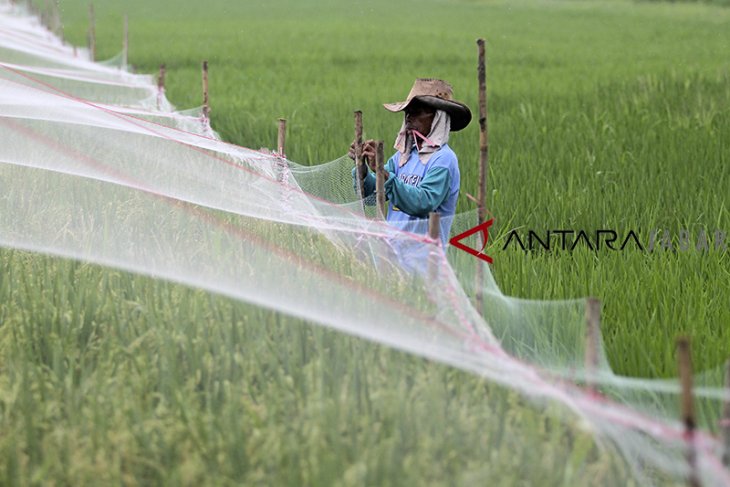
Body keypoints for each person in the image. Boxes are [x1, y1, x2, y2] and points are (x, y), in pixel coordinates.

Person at [350, 78, 471, 249]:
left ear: (438, 118)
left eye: (417, 112)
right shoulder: (403, 157)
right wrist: (362, 168)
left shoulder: (443, 159)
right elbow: (372, 196)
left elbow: (423, 202)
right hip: (393, 258)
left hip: (424, 261)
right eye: (408, 112)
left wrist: (382, 172)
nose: (409, 117)